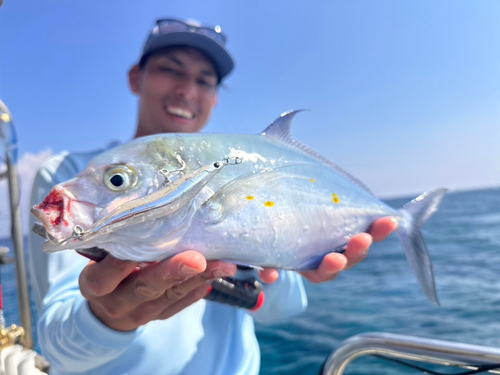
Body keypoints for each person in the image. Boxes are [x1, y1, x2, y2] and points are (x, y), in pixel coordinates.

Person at [29, 18, 397, 374]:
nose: (187, 90)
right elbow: (58, 346)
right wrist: (104, 320)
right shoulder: (68, 174)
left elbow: (282, 309)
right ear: (135, 78)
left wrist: (285, 259)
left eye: (204, 81)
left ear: (216, 99)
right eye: (171, 70)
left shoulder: (237, 166)